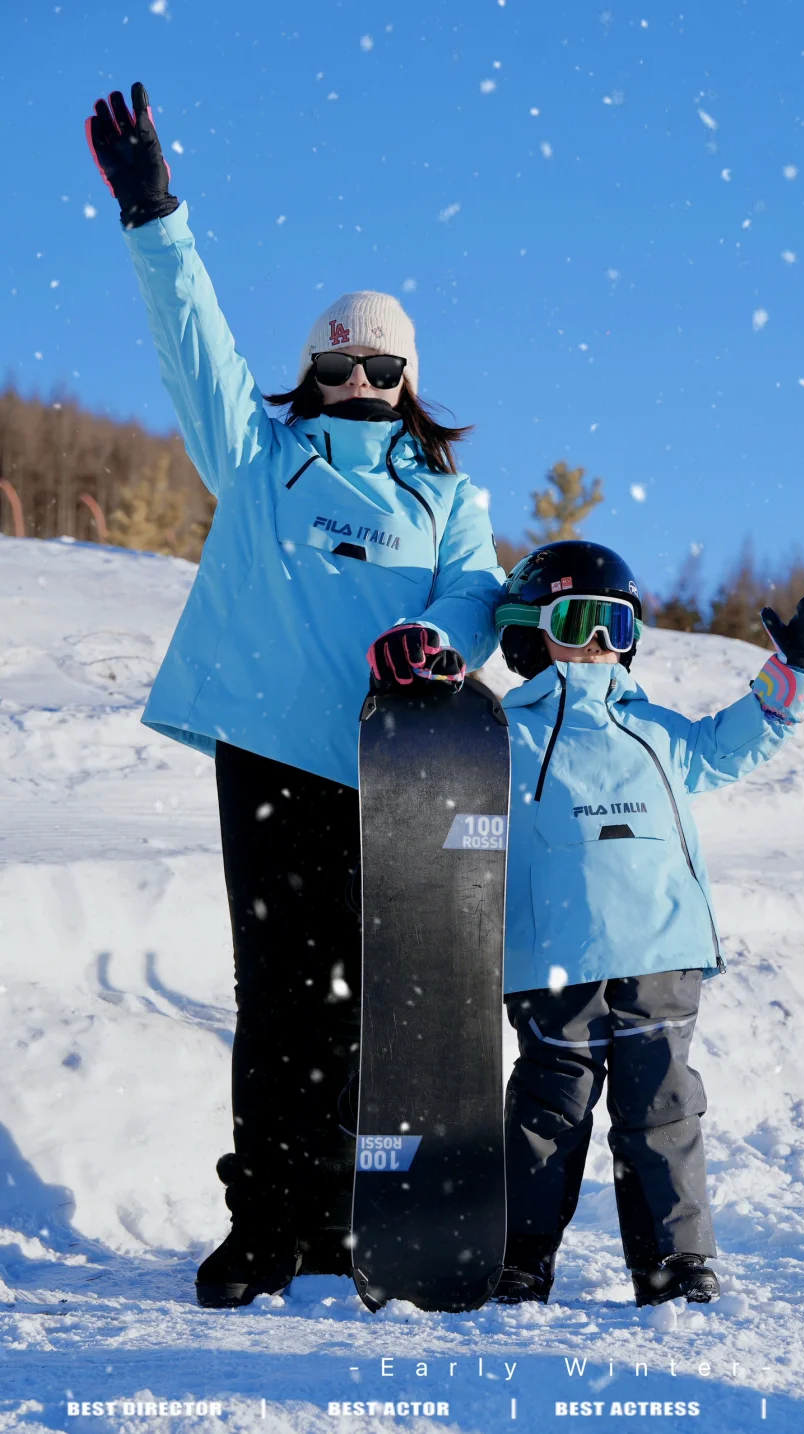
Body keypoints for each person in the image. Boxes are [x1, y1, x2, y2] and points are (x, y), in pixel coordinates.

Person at [85, 84, 505, 1307]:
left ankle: (351, 1215)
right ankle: (269, 1220)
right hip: (272, 755)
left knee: (384, 1001)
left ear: (409, 379)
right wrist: (156, 215)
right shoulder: (261, 458)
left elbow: (477, 599)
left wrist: (437, 639)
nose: (361, 377)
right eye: (339, 360)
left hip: (401, 769)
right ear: (313, 369)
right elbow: (196, 344)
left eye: (384, 365)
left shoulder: (447, 501)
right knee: (280, 998)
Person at [491, 541, 804, 1305]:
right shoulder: (501, 736)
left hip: (661, 952)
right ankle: (516, 1255)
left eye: (619, 627)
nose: (599, 643)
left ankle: (674, 1262)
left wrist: (795, 673)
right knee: (549, 1111)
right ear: (527, 631)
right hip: (555, 957)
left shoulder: (658, 731)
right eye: (580, 620)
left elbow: (732, 744)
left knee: (663, 1108)